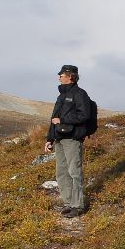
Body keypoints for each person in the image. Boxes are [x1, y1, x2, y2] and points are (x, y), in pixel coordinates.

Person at [43, 65, 93, 218]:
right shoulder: (61, 96)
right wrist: (49, 139)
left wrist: (63, 120)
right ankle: (68, 203)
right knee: (62, 173)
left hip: (72, 139)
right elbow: (54, 119)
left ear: (70, 76)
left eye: (62, 75)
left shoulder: (80, 94)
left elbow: (84, 115)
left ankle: (78, 206)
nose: (59, 77)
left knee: (74, 172)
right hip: (59, 139)